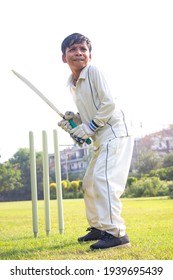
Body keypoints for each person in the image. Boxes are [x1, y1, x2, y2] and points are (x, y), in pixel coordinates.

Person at [58, 33, 134, 250]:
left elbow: (109, 104)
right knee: (90, 183)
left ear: (90, 55)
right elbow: (92, 112)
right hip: (101, 138)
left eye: (83, 49)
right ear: (64, 57)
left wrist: (89, 127)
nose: (78, 53)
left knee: (103, 180)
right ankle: (100, 227)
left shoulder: (93, 71)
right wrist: (75, 121)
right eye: (72, 49)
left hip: (115, 132)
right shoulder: (73, 84)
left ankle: (117, 234)